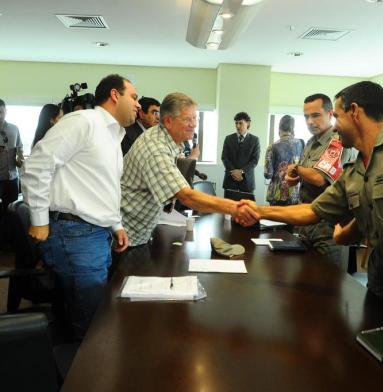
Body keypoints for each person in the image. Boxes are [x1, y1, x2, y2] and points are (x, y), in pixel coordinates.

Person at [239, 81, 383, 302]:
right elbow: (314, 210)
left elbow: (319, 178)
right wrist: (258, 210)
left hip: (327, 237)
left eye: (337, 117)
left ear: (355, 112)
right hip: (379, 277)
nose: (336, 127)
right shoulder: (355, 169)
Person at [21, 74, 139, 339]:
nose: (138, 105)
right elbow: (37, 166)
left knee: (94, 314)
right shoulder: (84, 122)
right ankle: (86, 378)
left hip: (95, 234)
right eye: (134, 96)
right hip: (76, 234)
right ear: (114, 95)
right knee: (92, 324)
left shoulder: (113, 137)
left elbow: (103, 187)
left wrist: (116, 224)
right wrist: (39, 219)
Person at [121, 92, 256, 247]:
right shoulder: (155, 148)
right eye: (187, 119)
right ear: (168, 121)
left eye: (195, 118)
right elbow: (186, 197)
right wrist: (236, 208)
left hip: (142, 232)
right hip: (126, 237)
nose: (194, 124)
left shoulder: (169, 139)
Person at [284, 94, 352, 266]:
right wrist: (295, 178)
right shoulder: (310, 142)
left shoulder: (337, 141)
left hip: (326, 228)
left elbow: (319, 178)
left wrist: (296, 168)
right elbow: (307, 175)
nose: (309, 122)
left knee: (327, 284)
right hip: (305, 222)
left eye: (315, 115)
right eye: (306, 116)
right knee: (305, 279)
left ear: (330, 114)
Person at [264, 115, 304, 206]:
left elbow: (267, 174)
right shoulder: (301, 144)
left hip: (276, 195)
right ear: (292, 129)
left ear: (279, 128)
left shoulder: (272, 147)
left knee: (274, 220)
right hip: (295, 194)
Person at [221, 112, 260, 196]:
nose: (238, 126)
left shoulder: (255, 140)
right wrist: (234, 172)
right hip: (230, 181)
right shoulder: (228, 139)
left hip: (247, 181)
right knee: (228, 208)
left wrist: (241, 172)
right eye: (236, 123)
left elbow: (255, 160)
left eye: (240, 123)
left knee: (246, 208)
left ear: (248, 123)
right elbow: (224, 157)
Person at [0, 99, 24, 219]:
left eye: (1, 112)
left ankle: (9, 237)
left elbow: (20, 146)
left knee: (12, 212)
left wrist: (20, 157)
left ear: (6, 111)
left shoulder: (14, 129)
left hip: (12, 178)